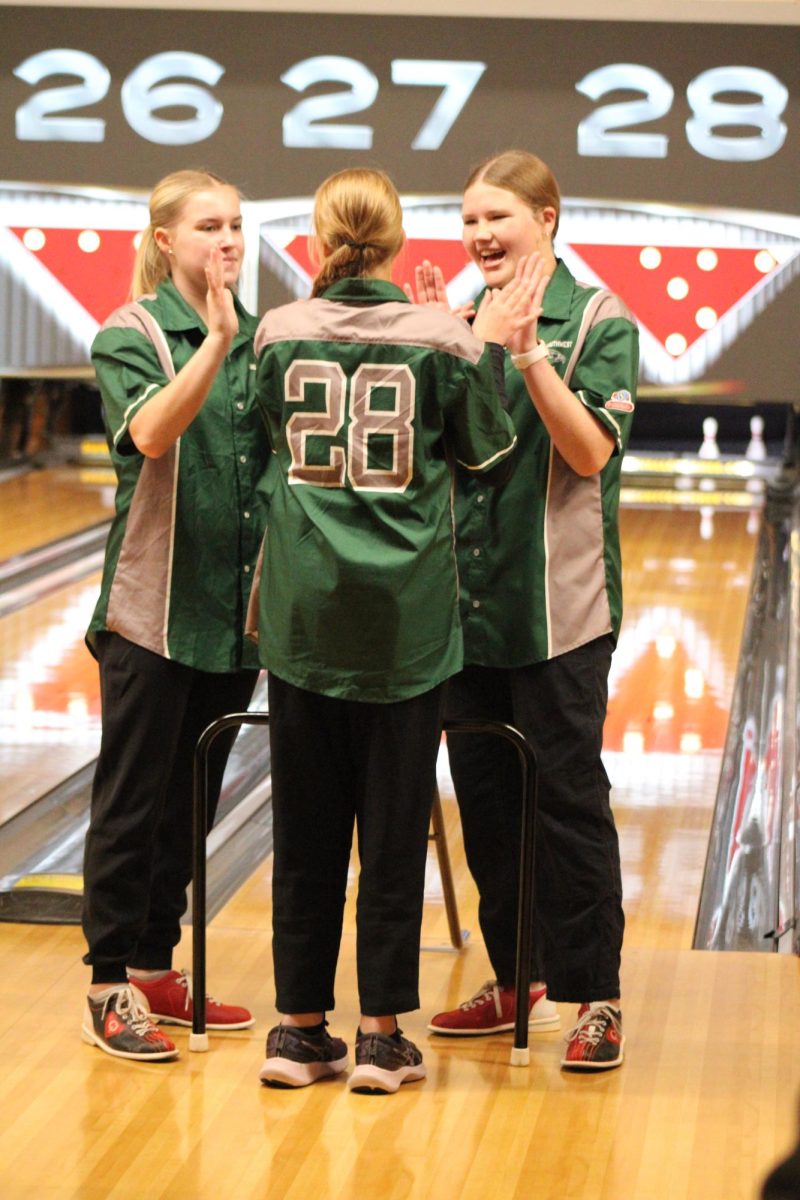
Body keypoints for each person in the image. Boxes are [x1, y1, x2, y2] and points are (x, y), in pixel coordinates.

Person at [251, 166, 541, 1094]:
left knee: (303, 833)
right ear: (399, 242)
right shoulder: (439, 337)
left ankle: (298, 1032)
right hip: (409, 629)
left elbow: (261, 444)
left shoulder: (278, 333)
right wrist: (486, 347)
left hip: (302, 620)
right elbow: (490, 450)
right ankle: (380, 1036)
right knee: (389, 830)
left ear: (317, 240)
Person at [415, 150, 638, 1070]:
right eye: (467, 220)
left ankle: (597, 1000)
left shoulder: (597, 321)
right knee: (489, 805)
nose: (478, 235)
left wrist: (524, 353)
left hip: (560, 609)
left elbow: (587, 453)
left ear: (547, 217)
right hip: (466, 612)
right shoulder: (462, 317)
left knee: (569, 804)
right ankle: (518, 982)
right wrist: (435, 341)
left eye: (495, 218)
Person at [80, 169, 270, 1061]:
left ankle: (157, 964)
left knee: (189, 805)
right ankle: (110, 981)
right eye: (209, 226)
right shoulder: (133, 333)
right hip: (151, 608)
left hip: (234, 613)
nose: (228, 240)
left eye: (236, 225)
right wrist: (219, 341)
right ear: (167, 241)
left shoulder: (267, 336)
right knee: (132, 800)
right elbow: (153, 434)